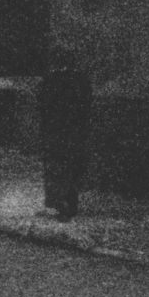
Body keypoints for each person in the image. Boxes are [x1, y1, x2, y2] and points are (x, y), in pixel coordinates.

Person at [38, 46, 92, 220]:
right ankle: (71, 204)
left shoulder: (51, 80)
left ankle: (58, 205)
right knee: (73, 166)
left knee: (56, 167)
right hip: (76, 130)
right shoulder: (82, 80)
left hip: (56, 131)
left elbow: (43, 106)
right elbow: (87, 105)